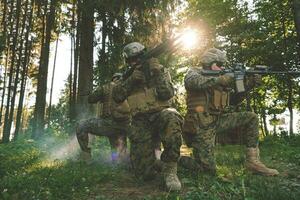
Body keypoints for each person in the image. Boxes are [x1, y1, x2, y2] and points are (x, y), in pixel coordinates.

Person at [181, 48, 279, 176]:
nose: (222, 67)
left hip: (219, 121)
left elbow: (233, 101)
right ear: (209, 63)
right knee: (207, 172)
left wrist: (248, 85)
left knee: (251, 117)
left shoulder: (221, 80)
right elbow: (192, 82)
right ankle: (178, 159)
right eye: (219, 64)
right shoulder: (194, 72)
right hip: (200, 126)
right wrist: (221, 79)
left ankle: (253, 162)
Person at [112, 42, 183, 191]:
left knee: (172, 116)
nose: (136, 62)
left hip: (161, 116)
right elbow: (117, 97)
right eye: (132, 60)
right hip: (140, 122)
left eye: (138, 58)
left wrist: (157, 74)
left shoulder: (159, 70)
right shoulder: (126, 77)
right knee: (144, 174)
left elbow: (167, 94)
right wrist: (131, 80)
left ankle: (170, 170)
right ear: (128, 62)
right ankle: (159, 163)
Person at [76, 73, 130, 163]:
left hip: (108, 125)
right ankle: (123, 165)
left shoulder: (106, 87)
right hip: (125, 126)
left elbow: (91, 99)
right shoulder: (129, 86)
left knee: (81, 125)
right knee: (120, 158)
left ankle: (86, 159)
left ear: (113, 79)